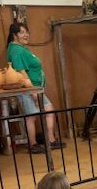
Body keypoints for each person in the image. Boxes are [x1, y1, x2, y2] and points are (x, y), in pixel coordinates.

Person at [6, 22, 65, 154]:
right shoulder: (16, 50)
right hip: (28, 89)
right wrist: (32, 90)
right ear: (14, 35)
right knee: (31, 117)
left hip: (37, 88)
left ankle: (50, 139)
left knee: (49, 110)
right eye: (22, 32)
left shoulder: (21, 48)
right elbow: (21, 71)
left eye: (26, 32)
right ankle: (33, 144)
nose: (26, 35)